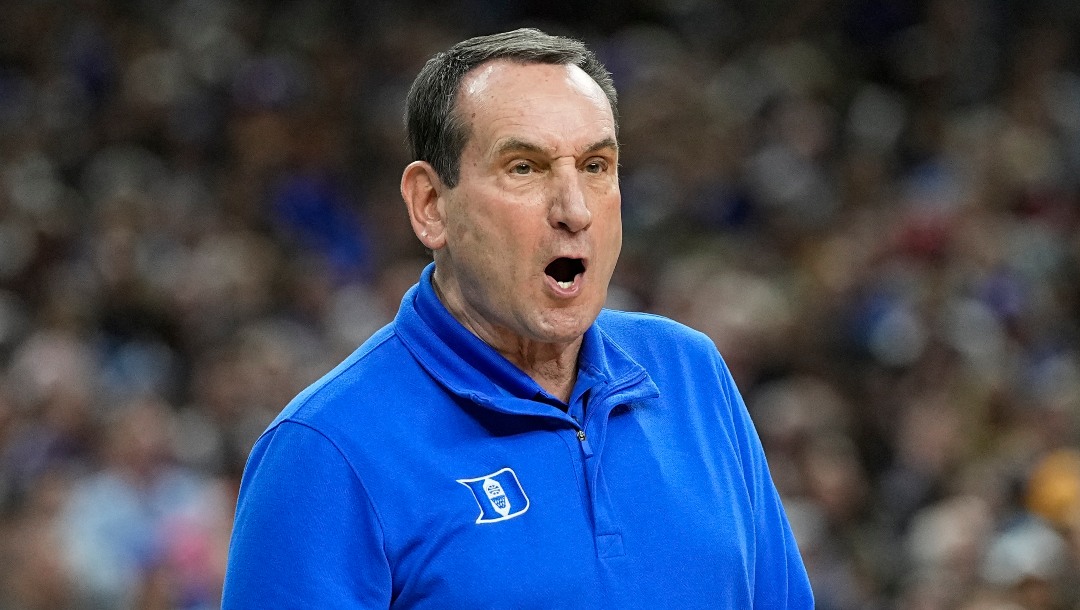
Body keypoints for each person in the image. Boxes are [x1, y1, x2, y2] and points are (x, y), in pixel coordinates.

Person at [222, 28, 814, 608]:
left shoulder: (690, 372)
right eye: (524, 168)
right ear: (430, 205)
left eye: (595, 166)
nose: (574, 210)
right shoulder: (325, 452)